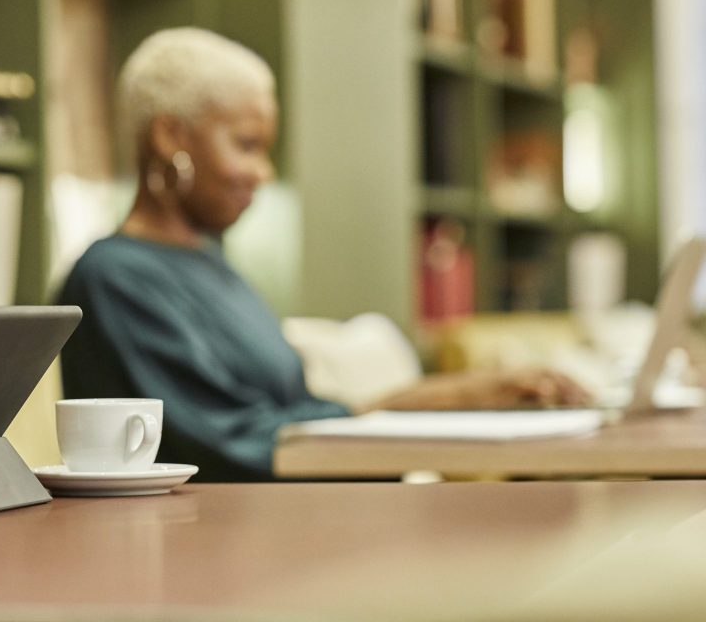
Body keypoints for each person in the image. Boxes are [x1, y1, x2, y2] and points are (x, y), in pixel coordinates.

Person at [57, 27, 589, 481]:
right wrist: (452, 400)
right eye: (246, 145)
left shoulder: (208, 263)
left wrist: (462, 396)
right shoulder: (114, 277)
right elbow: (235, 444)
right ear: (170, 135)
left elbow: (297, 415)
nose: (263, 173)